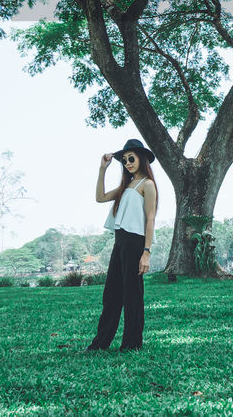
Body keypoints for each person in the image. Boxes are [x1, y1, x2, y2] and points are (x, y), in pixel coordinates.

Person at [86, 138, 157, 352]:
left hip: (136, 243)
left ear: (141, 158)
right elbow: (100, 197)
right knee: (111, 295)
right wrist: (102, 170)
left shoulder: (147, 185)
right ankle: (100, 343)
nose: (127, 163)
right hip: (120, 242)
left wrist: (146, 252)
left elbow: (150, 218)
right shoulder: (125, 186)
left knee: (132, 294)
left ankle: (132, 344)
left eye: (131, 158)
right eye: (124, 160)